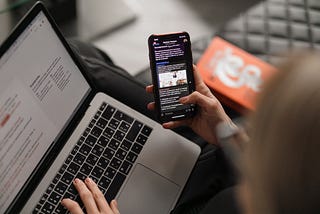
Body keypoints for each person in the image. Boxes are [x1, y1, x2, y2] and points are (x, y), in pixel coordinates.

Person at [62, 41, 320, 213]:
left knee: (79, 55)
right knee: (83, 53)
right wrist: (230, 136)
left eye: (262, 135)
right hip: (212, 163)